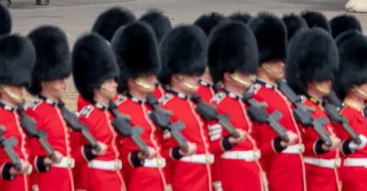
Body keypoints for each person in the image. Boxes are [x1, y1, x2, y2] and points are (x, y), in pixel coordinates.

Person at [247, 13, 306, 191]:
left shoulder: (283, 92)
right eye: (275, 60)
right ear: (262, 62)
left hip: (295, 172)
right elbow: (256, 142)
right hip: (277, 172)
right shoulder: (256, 95)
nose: (282, 64)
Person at [206, 21, 267, 191]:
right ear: (228, 76)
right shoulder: (217, 105)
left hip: (252, 174)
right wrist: (218, 184)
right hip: (233, 177)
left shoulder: (246, 103)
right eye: (243, 72)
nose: (249, 76)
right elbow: (212, 148)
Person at [111, 23, 170, 191]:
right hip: (136, 182)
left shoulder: (153, 108)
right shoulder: (119, 110)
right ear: (131, 78)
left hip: (159, 181)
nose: (153, 78)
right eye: (147, 74)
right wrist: (135, 158)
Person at [157, 25, 214, 191]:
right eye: (191, 74)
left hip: (205, 179)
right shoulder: (164, 108)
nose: (197, 77)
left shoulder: (198, 105)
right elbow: (161, 152)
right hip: (184, 181)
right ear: (176, 77)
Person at [285, 29, 342, 191]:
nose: (329, 79)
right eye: (323, 75)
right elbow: (298, 146)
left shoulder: (324, 106)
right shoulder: (300, 107)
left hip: (332, 180)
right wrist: (318, 147)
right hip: (315, 181)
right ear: (310, 77)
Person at [25, 26, 75, 191]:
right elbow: (29, 152)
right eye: (58, 79)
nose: (64, 83)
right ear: (44, 81)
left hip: (67, 180)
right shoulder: (35, 112)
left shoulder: (62, 111)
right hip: (49, 181)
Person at [71, 33, 121, 191]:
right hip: (97, 181)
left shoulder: (114, 113)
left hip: (116, 180)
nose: (114, 85)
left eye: (114, 80)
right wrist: (89, 152)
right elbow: (75, 155)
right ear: (97, 84)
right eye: (109, 81)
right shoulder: (87, 116)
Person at [0, 34, 36, 191]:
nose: (22, 89)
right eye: (16, 86)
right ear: (2, 87)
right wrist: (8, 170)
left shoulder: (25, 115)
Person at [334, 31, 367, 191]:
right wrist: (348, 146)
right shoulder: (343, 114)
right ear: (353, 84)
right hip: (354, 181)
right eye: (365, 82)